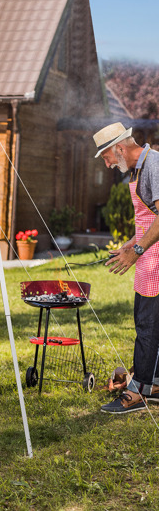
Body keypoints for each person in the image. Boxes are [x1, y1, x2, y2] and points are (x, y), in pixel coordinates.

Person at [94, 122, 159, 413]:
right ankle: (154, 384)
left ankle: (138, 393)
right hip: (149, 257)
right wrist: (130, 244)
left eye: (106, 157)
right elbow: (149, 219)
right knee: (150, 324)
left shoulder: (154, 165)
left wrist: (138, 249)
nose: (107, 165)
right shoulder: (138, 169)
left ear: (120, 148)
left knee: (146, 326)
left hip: (154, 259)